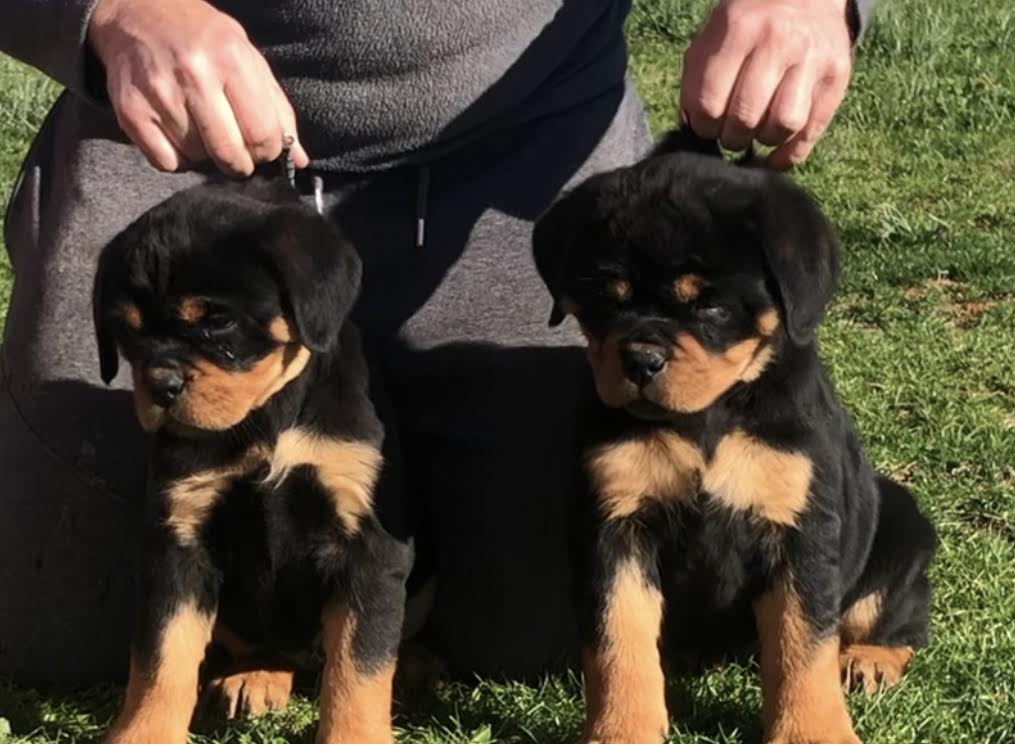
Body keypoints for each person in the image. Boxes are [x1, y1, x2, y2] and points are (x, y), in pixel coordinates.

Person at [0, 0, 866, 686]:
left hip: (521, 163)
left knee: (529, 631)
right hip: (178, 144)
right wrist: (109, 11)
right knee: (50, 622)